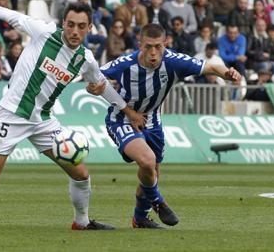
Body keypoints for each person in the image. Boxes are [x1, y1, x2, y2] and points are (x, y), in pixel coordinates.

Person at [0, 0, 143, 231]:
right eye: (70, 25)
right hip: (12, 114)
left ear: (89, 27)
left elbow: (101, 84)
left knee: (80, 174)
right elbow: (10, 15)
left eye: (81, 26)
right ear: (63, 24)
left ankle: (82, 222)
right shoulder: (44, 32)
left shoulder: (85, 59)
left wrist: (127, 111)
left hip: (43, 121)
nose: (75, 31)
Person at [91, 23, 241, 229]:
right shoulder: (125, 64)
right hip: (122, 120)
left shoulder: (174, 62)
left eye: (158, 47)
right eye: (148, 47)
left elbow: (212, 67)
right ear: (139, 44)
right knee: (147, 160)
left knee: (152, 172)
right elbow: (94, 80)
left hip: (153, 121)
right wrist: (95, 89)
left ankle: (140, 218)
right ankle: (158, 201)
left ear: (165, 44)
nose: (153, 53)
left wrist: (228, 73)